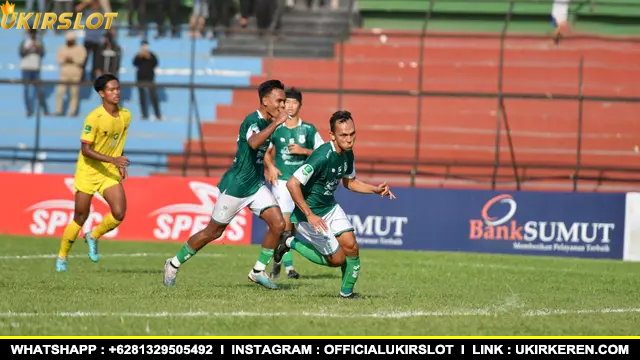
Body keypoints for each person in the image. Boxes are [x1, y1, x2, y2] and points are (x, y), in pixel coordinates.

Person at [163, 80, 289, 290]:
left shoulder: (269, 123)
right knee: (213, 232)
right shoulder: (252, 120)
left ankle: (258, 271)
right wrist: (277, 123)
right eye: (279, 101)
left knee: (278, 224)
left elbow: (261, 151)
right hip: (237, 186)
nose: (282, 106)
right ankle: (173, 263)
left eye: (284, 101)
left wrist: (270, 166)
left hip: (256, 185)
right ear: (265, 101)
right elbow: (253, 143)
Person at [273, 110, 395, 298]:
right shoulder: (322, 155)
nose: (349, 139)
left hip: (330, 207)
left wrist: (375, 190)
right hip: (309, 215)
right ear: (332, 135)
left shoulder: (348, 154)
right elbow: (292, 183)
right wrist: (310, 215)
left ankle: (346, 294)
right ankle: (289, 241)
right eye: (343, 135)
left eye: (352, 133)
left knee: (351, 246)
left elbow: (350, 182)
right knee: (337, 260)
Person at [56, 74, 131, 272]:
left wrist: (119, 163)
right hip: (88, 171)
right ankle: (62, 256)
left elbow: (117, 143)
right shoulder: (94, 117)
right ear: (101, 93)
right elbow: (85, 150)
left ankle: (94, 235)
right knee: (80, 216)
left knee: (119, 212)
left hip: (107, 170)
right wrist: (114, 160)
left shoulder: (125, 115)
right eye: (111, 90)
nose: (116, 92)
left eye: (118, 88)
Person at [264, 87, 324, 279]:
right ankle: (287, 268)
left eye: (294, 102)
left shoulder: (308, 129)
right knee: (284, 224)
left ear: (300, 105)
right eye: (286, 102)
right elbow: (264, 151)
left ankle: (279, 262)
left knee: (293, 226)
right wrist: (271, 167)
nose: (289, 106)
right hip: (281, 182)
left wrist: (303, 151)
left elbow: (323, 152)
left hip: (300, 183)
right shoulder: (276, 127)